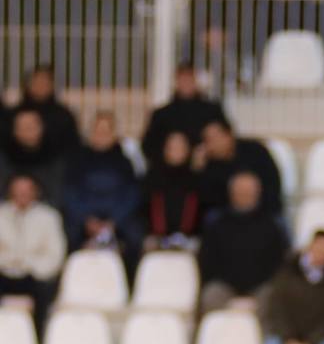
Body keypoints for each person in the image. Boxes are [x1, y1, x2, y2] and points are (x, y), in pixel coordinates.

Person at [60, 111, 142, 272]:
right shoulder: (76, 160)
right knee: (67, 237)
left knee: (135, 237)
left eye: (107, 131)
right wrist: (87, 220)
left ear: (114, 134)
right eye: (98, 130)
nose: (102, 135)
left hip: (117, 219)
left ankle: (128, 283)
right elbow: (69, 193)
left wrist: (113, 222)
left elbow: (132, 194)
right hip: (84, 218)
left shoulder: (124, 162)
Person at [197, 171, 287, 314]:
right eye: (241, 190)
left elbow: (279, 262)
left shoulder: (271, 225)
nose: (245, 194)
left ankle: (263, 337)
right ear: (232, 192)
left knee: (273, 295)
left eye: (249, 190)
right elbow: (206, 261)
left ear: (258, 192)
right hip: (225, 286)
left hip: (260, 288)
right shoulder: (218, 223)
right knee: (211, 295)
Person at [0, 172, 66, 337]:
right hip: (3, 271)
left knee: (44, 293)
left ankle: (38, 341)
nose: (22, 195)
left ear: (35, 192)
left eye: (26, 190)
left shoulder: (49, 217)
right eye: (18, 190)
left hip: (35, 275)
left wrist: (31, 266)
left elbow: (55, 255)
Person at [141, 62, 227, 167]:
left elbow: (227, 139)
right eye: (182, 79)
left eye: (189, 79)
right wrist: (171, 154)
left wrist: (209, 150)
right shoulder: (161, 115)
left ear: (196, 81)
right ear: (176, 82)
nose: (186, 83)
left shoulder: (213, 111)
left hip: (209, 169)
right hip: (169, 172)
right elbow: (148, 147)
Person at [197, 120, 283, 218]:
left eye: (217, 137)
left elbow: (272, 184)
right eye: (209, 140)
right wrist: (199, 171)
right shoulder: (208, 165)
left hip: (264, 211)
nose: (215, 143)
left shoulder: (255, 151)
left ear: (229, 135)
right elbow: (207, 200)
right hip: (229, 217)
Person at [142, 130, 201, 250]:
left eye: (180, 147)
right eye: (172, 147)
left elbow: (201, 212)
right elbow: (143, 210)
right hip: (156, 237)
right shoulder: (152, 178)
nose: (176, 151)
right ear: (165, 150)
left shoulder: (196, 180)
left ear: (188, 150)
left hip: (189, 238)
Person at [0, 109, 66, 205]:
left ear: (42, 128)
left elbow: (57, 193)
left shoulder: (55, 156)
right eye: (22, 126)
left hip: (44, 208)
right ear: (14, 131)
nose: (27, 130)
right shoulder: (4, 157)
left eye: (31, 126)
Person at [15, 67, 80, 159]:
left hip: (54, 166)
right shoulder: (15, 113)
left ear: (52, 86)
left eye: (45, 82)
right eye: (37, 81)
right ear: (28, 85)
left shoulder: (64, 115)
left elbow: (73, 147)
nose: (41, 85)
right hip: (17, 165)